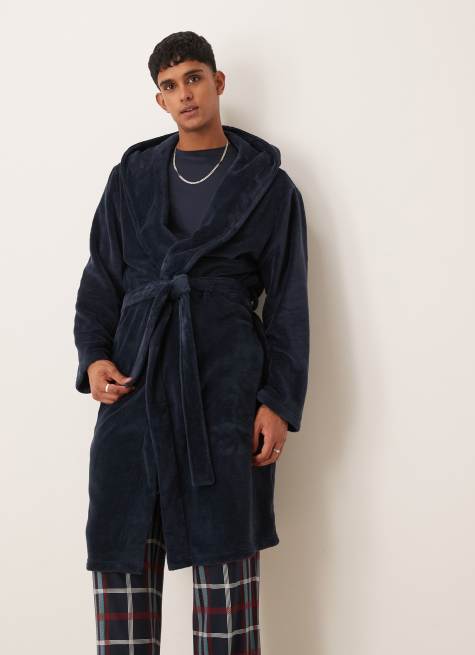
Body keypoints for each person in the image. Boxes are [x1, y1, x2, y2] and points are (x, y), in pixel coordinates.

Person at [74, 30, 309, 654]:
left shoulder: (268, 188)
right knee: (123, 561)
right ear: (160, 100)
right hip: (135, 387)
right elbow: (101, 279)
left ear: (218, 82)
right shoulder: (130, 180)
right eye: (170, 86)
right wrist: (94, 356)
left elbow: (288, 303)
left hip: (222, 394)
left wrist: (278, 401)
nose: (185, 94)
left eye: (195, 78)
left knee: (225, 575)